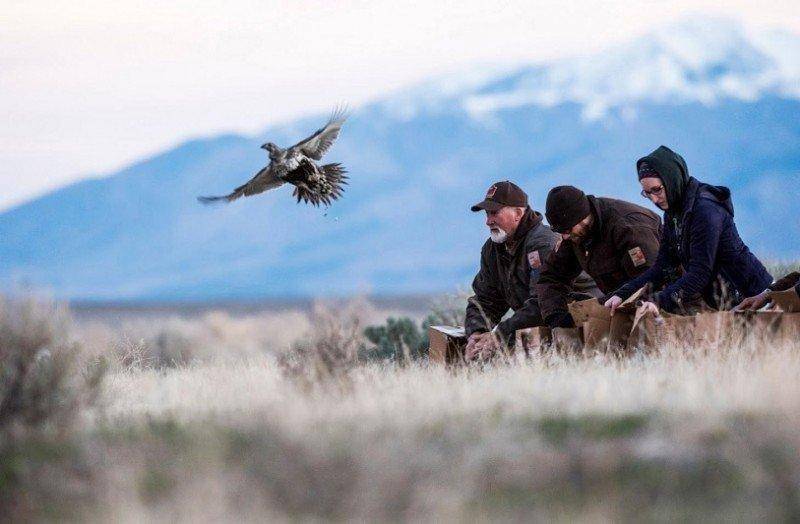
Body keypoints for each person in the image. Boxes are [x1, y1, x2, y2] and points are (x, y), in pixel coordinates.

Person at [604, 145, 773, 315]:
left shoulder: (705, 210)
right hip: (724, 302)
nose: (654, 199)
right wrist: (623, 294)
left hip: (752, 297)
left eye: (657, 190)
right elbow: (663, 266)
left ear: (671, 179)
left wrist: (658, 301)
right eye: (647, 193)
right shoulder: (673, 212)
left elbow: (700, 272)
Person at [464, 181, 597, 360]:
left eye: (494, 213)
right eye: (487, 214)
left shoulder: (543, 243)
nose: (489, 221)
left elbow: (542, 303)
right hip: (543, 326)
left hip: (584, 322)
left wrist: (498, 336)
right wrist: (477, 333)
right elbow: (485, 299)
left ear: (518, 213)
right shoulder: (493, 249)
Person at [536, 185, 662, 328]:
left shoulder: (629, 227)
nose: (564, 235)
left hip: (665, 304)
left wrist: (598, 307)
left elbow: (650, 279)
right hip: (619, 305)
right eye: (560, 231)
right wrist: (556, 314)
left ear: (582, 217)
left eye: (566, 229)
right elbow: (552, 276)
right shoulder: (574, 234)